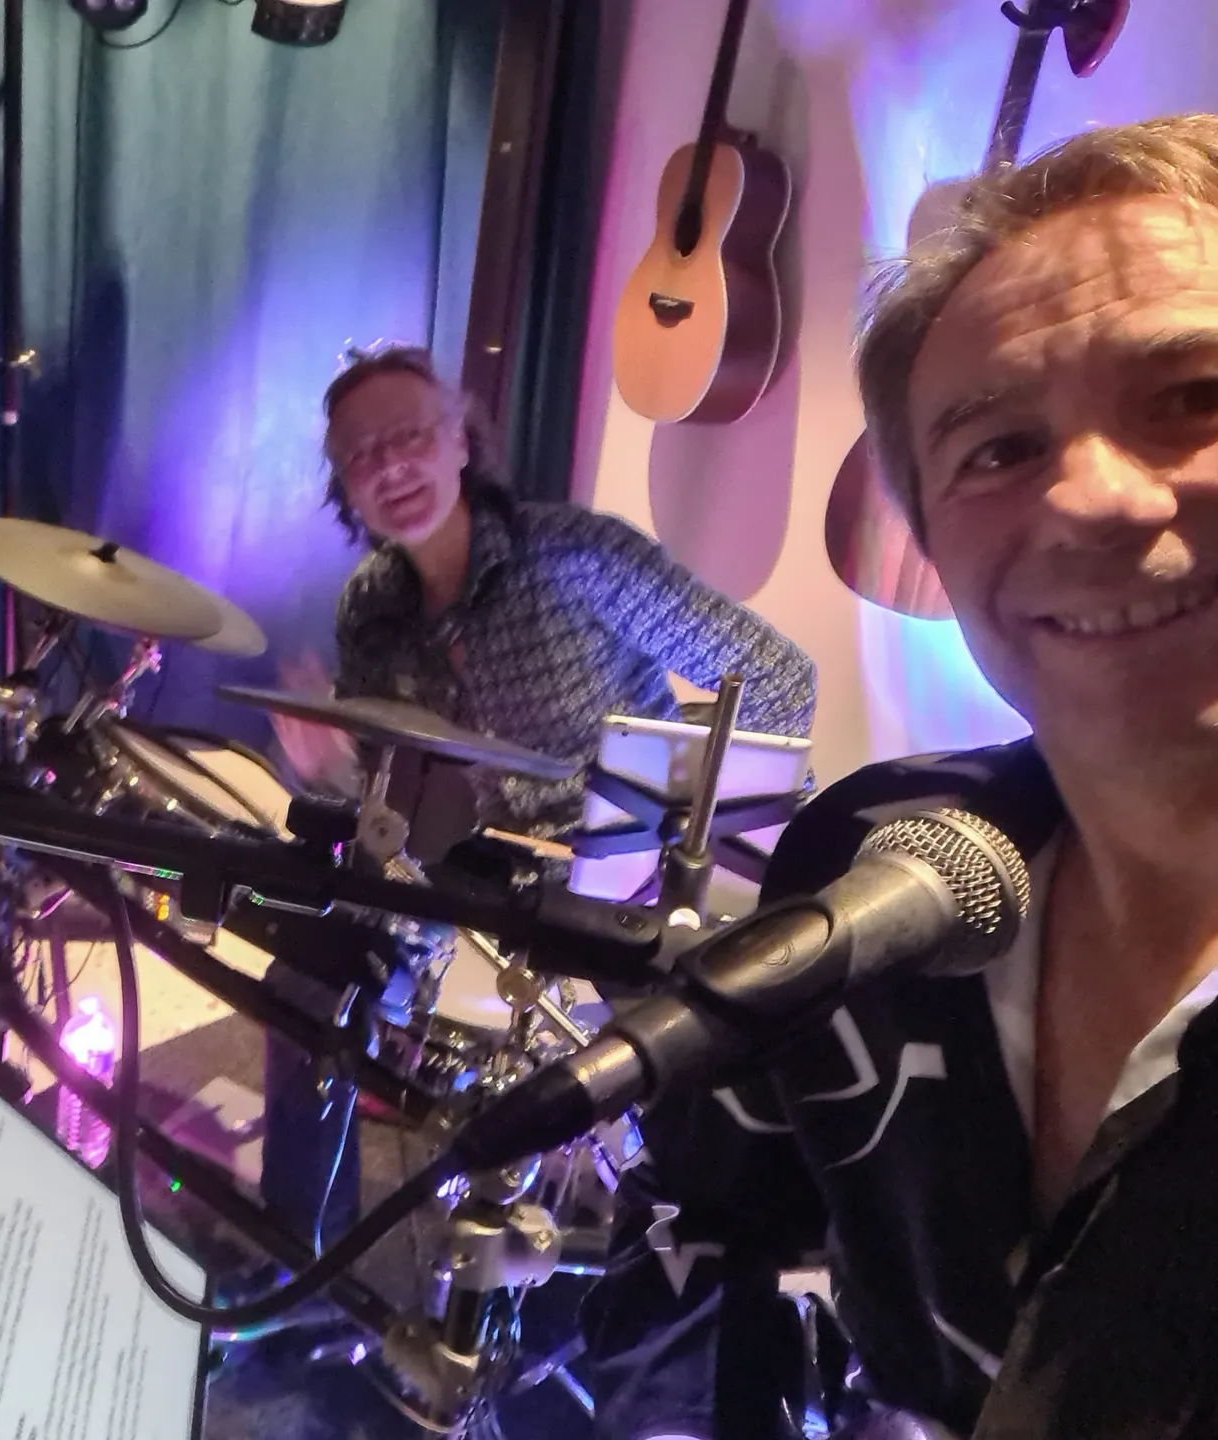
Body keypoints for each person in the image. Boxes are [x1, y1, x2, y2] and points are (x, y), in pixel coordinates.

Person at [581, 113, 1218, 1440]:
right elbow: (696, 1232)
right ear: (930, 537)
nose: (1091, 500)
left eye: (1193, 398)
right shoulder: (882, 853)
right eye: (999, 450)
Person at [255, 345, 819, 1272]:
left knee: (688, 1055)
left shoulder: (578, 556)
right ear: (344, 486)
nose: (390, 467)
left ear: (460, 439)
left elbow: (779, 682)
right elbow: (389, 791)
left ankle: (679, 1270)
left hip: (610, 868)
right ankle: (296, 1259)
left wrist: (674, 823)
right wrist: (330, 768)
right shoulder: (370, 608)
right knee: (304, 987)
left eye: (408, 436)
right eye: (362, 454)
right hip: (457, 870)